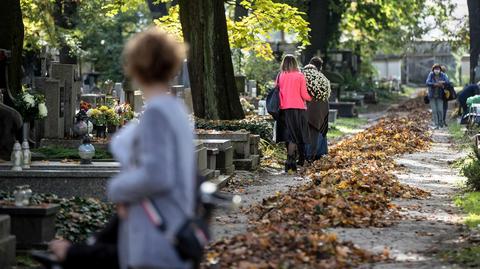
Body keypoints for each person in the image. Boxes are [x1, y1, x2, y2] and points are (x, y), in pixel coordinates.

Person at [106, 27, 194, 269]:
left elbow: (156, 175)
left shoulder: (156, 113)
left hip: (155, 238)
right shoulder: (175, 109)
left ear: (135, 66)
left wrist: (115, 188)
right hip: (174, 225)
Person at [275, 54, 312, 172]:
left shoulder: (280, 76)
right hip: (297, 110)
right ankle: (291, 161)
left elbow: (277, 90)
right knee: (294, 136)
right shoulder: (300, 76)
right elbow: (304, 94)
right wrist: (311, 97)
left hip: (283, 110)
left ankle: (289, 161)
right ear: (295, 63)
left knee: (288, 135)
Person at [302, 57, 331, 161]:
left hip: (308, 107)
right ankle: (319, 152)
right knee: (319, 130)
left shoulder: (304, 76)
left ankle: (308, 154)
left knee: (309, 131)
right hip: (322, 108)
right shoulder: (323, 79)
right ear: (320, 67)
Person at [426, 64, 450, 129]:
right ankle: (436, 124)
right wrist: (434, 84)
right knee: (434, 110)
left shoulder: (443, 75)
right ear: (433, 70)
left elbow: (448, 82)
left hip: (440, 95)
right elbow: (427, 82)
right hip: (432, 96)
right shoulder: (431, 75)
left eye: (438, 69)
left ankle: (441, 123)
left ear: (440, 70)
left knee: (440, 110)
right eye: (435, 69)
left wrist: (443, 82)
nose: (437, 70)